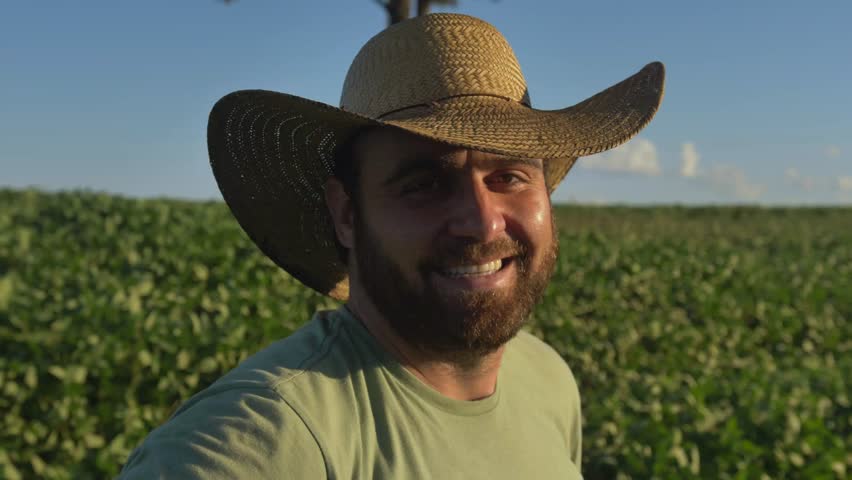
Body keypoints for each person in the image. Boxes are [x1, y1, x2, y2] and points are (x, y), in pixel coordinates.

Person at [119, 13, 664, 479]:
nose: (480, 223)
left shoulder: (547, 382)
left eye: (509, 176)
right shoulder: (258, 443)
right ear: (347, 214)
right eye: (424, 184)